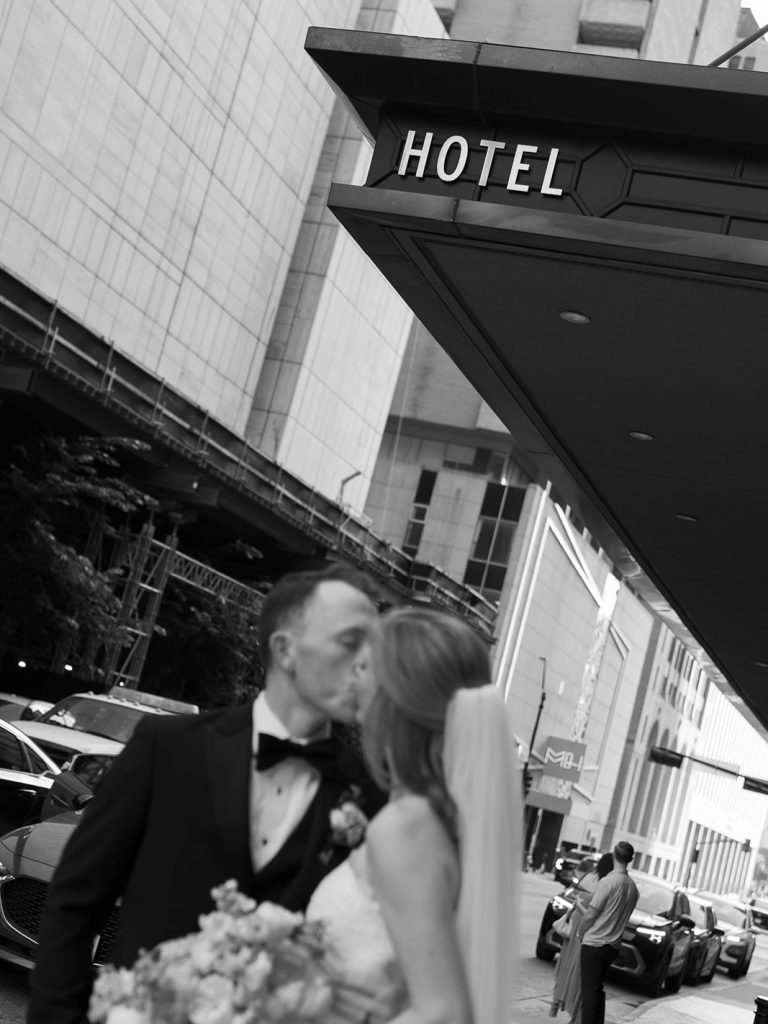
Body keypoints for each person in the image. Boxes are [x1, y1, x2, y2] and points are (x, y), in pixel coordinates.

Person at [28, 562, 385, 1024]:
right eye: (350, 642)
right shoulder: (168, 748)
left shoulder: (368, 797)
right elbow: (75, 903)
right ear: (286, 650)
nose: (368, 664)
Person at [306, 606, 522, 1024]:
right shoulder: (439, 818)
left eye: (364, 666)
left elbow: (443, 1013)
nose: (352, 676)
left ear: (397, 695)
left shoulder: (405, 826)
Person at [576, 841, 639, 1024]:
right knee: (597, 988)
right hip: (613, 946)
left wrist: (580, 933)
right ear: (630, 859)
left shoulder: (608, 882)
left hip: (595, 943)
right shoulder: (633, 888)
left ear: (614, 856)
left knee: (589, 990)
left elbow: (591, 915)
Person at [550, 852, 614, 1022]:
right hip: (584, 934)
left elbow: (593, 916)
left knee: (574, 972)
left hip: (583, 933)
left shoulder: (601, 886)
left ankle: (572, 1014)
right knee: (579, 975)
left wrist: (578, 904)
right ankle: (575, 1016)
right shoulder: (610, 887)